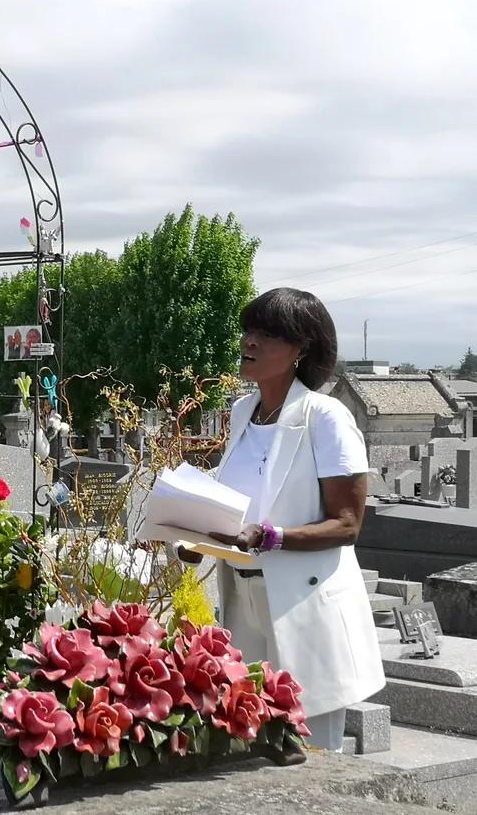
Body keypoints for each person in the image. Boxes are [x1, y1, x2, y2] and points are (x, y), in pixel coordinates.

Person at [177, 287, 384, 752]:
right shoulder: (241, 412)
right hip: (244, 598)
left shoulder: (326, 417)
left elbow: (348, 523)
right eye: (249, 330)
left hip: (303, 602)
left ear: (301, 349)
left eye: (267, 334)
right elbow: (235, 503)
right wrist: (191, 535)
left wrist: (273, 537)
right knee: (248, 742)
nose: (249, 342)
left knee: (310, 751)